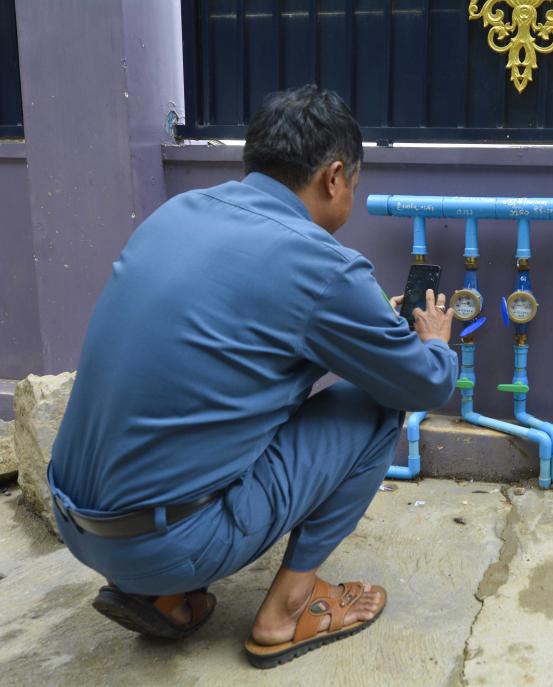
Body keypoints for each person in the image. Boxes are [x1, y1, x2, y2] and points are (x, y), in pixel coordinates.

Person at [46, 85, 457, 668]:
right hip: (169, 542)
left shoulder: (177, 212)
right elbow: (421, 384)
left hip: (76, 522)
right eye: (355, 187)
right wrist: (433, 342)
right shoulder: (324, 266)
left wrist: (365, 327)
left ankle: (159, 595)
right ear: (335, 177)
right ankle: (286, 611)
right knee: (376, 403)